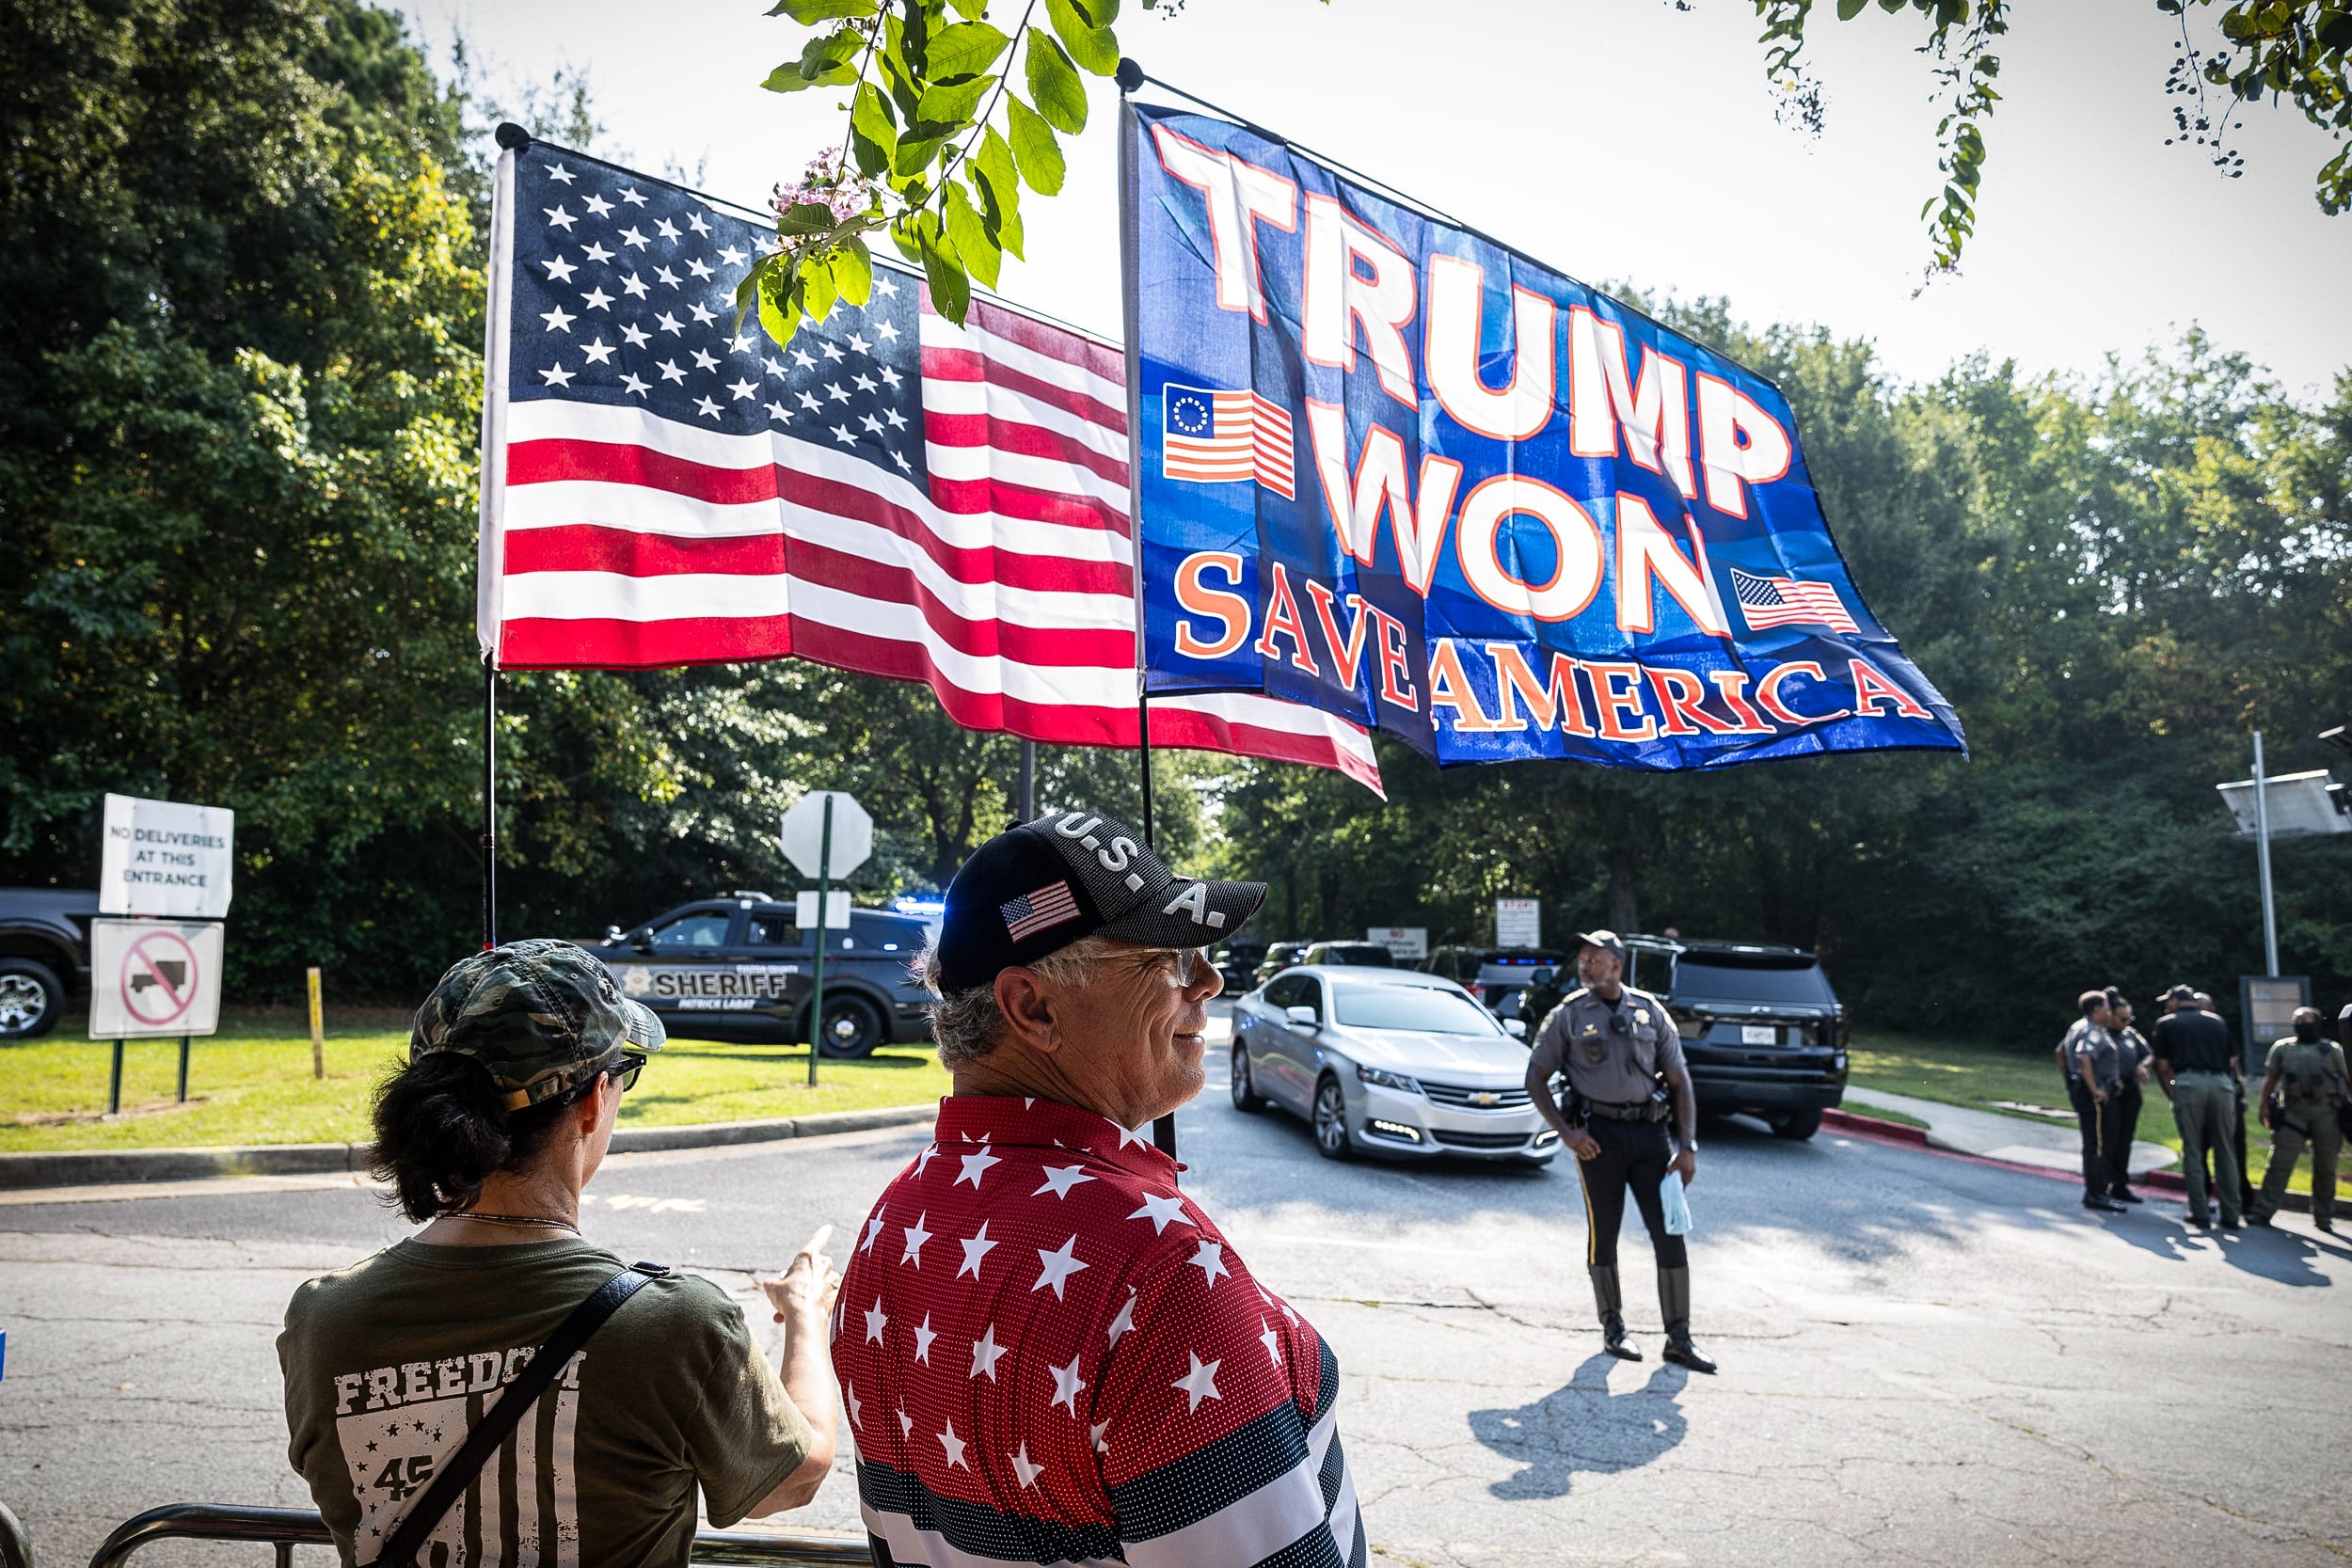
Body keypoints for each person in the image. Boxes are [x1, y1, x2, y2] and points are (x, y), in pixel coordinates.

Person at [831, 809, 1365, 1566]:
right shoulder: (1160, 1273)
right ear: (1034, 1007)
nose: (1209, 981)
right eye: (1166, 959)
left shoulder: (894, 1221)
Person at [279, 941, 839, 1565]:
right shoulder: (675, 1326)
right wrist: (806, 1316)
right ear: (595, 1098)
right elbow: (795, 1474)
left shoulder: (322, 1322)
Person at [1523, 929, 1715, 1373]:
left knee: (1669, 1233)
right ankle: (1613, 1328)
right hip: (1598, 1139)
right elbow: (1535, 1077)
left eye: (1595, 957)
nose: (1585, 965)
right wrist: (1567, 1136)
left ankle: (1679, 1339)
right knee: (1604, 1232)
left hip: (1651, 1137)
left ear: (1616, 964)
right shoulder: (1568, 1016)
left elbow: (1681, 1081)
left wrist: (1686, 1147)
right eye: (1582, 959)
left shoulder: (1649, 1011)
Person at [2149, 982, 2242, 1229]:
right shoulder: (2217, 1021)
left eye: (2168, 1002)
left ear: (2175, 1002)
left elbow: (2163, 1065)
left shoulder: (2167, 1024)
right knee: (2225, 1148)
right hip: (2222, 1084)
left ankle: (2200, 1211)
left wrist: (2173, 1091)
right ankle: (2231, 1214)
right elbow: (2232, 1060)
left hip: (2189, 1083)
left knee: (2193, 1148)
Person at [2248, 1006, 2349, 1232]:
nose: (2302, 1024)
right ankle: (2262, 1211)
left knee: (2326, 1167)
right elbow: (2270, 1079)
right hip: (2293, 1112)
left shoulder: (2332, 1051)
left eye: (2307, 1020)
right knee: (2278, 1164)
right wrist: (2264, 1106)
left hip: (2327, 1113)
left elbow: (2347, 1078)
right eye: (2297, 1020)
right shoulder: (2283, 1048)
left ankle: (2323, 1217)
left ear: (2317, 1022)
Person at [2067, 990, 2129, 1213]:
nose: (2110, 1012)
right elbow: (2082, 1056)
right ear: (2096, 1010)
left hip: (2081, 1088)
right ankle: (2095, 1193)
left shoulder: (2078, 1026)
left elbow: (2060, 1053)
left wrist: (2071, 1080)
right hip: (2092, 1094)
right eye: (2106, 1007)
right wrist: (2095, 1089)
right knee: (2097, 1144)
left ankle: (2095, 1192)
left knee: (2093, 1143)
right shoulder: (2092, 1032)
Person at [2105, 990, 2151, 1203]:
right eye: (2122, 1019)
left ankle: (2120, 1184)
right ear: (2110, 1015)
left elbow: (2149, 1053)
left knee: (2125, 1139)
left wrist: (2142, 1065)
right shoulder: (2100, 1034)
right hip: (2110, 1090)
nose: (2126, 1022)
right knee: (2109, 1138)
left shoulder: (2130, 1035)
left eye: (2129, 1018)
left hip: (2130, 1090)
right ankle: (2102, 1182)